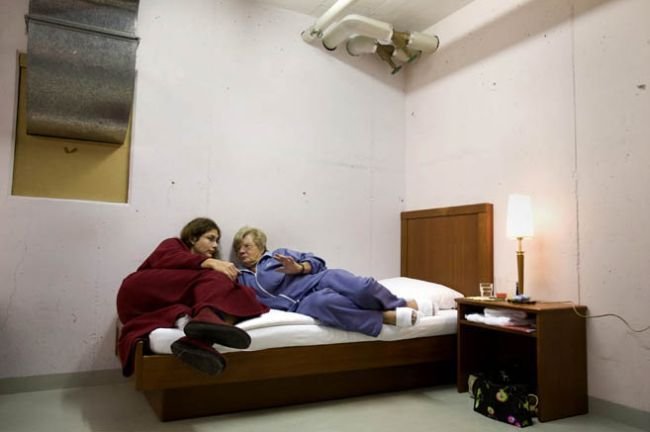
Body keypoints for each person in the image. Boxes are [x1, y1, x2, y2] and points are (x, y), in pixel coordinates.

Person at [116, 218, 269, 376]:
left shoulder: (198, 277)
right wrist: (210, 262)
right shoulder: (174, 244)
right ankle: (207, 317)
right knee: (217, 279)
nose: (215, 245)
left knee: (241, 293)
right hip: (138, 291)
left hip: (154, 307)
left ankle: (197, 341)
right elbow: (168, 258)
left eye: (217, 241)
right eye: (210, 238)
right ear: (193, 238)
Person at [232, 226, 432, 337]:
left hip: (318, 279)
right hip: (301, 303)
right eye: (238, 248)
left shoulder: (278, 255)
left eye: (247, 246)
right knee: (325, 304)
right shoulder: (242, 278)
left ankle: (403, 304)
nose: (242, 251)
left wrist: (300, 268)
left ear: (261, 246)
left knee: (361, 287)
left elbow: (318, 261)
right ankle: (384, 316)